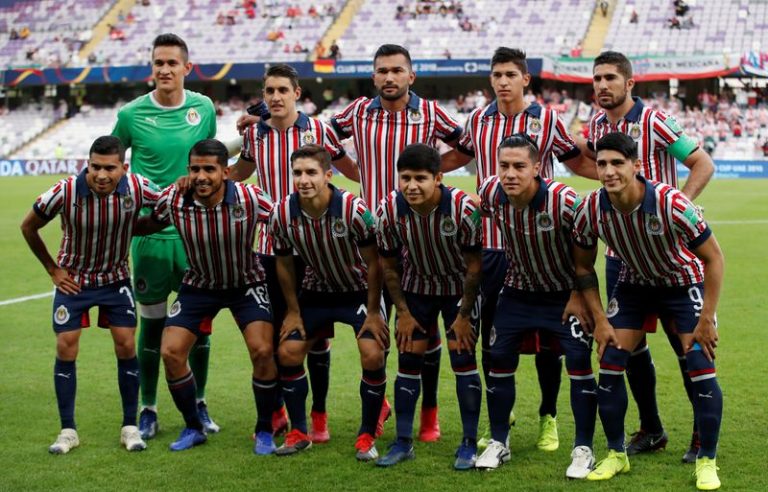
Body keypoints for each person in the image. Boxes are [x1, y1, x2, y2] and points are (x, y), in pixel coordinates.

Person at [441, 47, 596, 452]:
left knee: (549, 345)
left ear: (525, 79)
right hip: (491, 247)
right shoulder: (477, 119)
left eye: (511, 74)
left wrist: (622, 177)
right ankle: (501, 414)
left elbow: (575, 162)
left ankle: (549, 416)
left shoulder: (546, 118)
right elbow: (460, 155)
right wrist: (415, 170)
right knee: (493, 339)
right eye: (497, 74)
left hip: (542, 248)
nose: (503, 81)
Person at [573, 132, 724, 490]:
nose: (609, 171)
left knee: (700, 364)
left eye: (617, 163)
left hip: (681, 283)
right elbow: (582, 267)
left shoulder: (671, 203)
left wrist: (706, 319)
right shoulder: (591, 208)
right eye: (602, 164)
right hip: (635, 284)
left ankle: (707, 461)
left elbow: (714, 258)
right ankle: (615, 454)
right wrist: (598, 319)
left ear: (636, 166)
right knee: (610, 361)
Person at [329, 44, 464, 441]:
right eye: (382, 71)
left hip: (421, 240)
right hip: (372, 238)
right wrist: (358, 173)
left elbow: (465, 146)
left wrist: (434, 171)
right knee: (378, 328)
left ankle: (429, 414)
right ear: (374, 77)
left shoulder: (431, 112)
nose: (389, 77)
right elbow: (323, 139)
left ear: (411, 76)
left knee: (426, 333)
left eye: (397, 70)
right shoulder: (356, 112)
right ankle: (380, 404)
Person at [586, 51, 715, 462]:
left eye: (610, 78)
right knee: (629, 347)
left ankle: (700, 435)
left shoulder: (654, 121)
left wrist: (680, 209)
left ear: (629, 84)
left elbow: (702, 163)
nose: (602, 85)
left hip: (670, 252)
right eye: (597, 79)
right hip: (621, 255)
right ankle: (651, 428)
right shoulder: (596, 125)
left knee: (687, 347)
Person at [228, 64, 358, 443]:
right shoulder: (254, 134)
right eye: (270, 91)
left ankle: (318, 415)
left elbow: (349, 169)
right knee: (278, 335)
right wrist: (208, 178)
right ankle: (284, 411)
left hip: (317, 250)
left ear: (297, 93)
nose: (276, 96)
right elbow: (240, 172)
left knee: (316, 337)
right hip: (271, 247)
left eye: (283, 90)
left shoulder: (319, 130)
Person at [135, 139, 277, 452]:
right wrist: (114, 226)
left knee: (263, 350)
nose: (202, 176)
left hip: (246, 284)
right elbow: (149, 222)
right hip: (199, 284)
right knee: (171, 352)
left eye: (209, 169)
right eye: (195, 169)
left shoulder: (250, 197)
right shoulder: (175, 198)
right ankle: (193, 426)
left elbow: (286, 224)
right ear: (188, 171)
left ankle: (265, 429)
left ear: (225, 172)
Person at [20, 136, 159, 454]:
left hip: (115, 279)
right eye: (95, 166)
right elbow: (28, 226)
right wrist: (53, 270)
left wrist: (142, 224)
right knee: (65, 347)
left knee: (126, 344)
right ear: (88, 164)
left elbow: (167, 207)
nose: (101, 175)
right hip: (75, 282)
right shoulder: (67, 191)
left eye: (110, 168)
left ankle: (130, 427)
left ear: (123, 168)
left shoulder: (138, 187)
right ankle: (67, 430)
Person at [111, 33, 219, 440]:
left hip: (196, 236)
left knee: (200, 327)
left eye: (172, 63)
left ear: (186, 68)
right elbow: (110, 162)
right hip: (150, 236)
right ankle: (148, 407)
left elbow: (208, 160)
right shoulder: (131, 114)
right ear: (151, 67)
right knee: (152, 326)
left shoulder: (202, 107)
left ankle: (200, 403)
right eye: (158, 62)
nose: (164, 69)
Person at [473, 134, 597, 477]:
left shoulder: (564, 201)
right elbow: (479, 208)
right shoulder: (491, 191)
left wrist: (577, 293)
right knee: (497, 358)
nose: (510, 174)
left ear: (537, 168)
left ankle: (583, 448)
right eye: (504, 166)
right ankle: (499, 442)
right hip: (517, 292)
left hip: (563, 295)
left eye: (519, 166)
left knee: (578, 360)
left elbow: (586, 248)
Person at [268, 145, 388, 461]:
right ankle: (299, 432)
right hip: (317, 290)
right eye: (297, 173)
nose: (303, 180)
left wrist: (374, 312)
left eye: (311, 172)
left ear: (327, 175)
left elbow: (375, 263)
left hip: (358, 290)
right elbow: (283, 264)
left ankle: (365, 436)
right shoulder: (282, 213)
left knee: (372, 353)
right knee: (288, 352)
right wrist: (293, 312)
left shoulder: (353, 209)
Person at [374, 144, 482, 469]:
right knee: (408, 360)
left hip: (457, 291)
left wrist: (464, 315)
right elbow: (390, 267)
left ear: (438, 178)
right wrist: (403, 313)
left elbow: (475, 267)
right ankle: (403, 441)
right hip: (416, 289)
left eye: (420, 178)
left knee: (463, 359)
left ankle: (468, 442)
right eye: (405, 178)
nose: (411, 186)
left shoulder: (463, 208)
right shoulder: (388, 210)